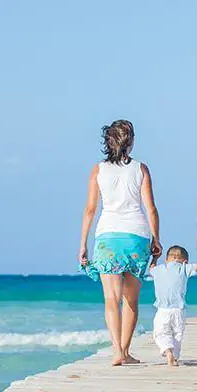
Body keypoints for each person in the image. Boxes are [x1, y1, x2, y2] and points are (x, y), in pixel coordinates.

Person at [79, 120, 162, 366]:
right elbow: (151, 209)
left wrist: (82, 243)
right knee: (131, 300)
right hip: (136, 236)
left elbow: (90, 209)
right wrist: (156, 239)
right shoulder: (141, 169)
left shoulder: (98, 170)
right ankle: (125, 351)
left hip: (107, 238)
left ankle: (117, 350)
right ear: (131, 141)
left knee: (110, 299)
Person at [148, 244, 197, 366]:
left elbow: (151, 268)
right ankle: (174, 356)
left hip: (163, 310)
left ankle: (167, 350)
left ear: (166, 259)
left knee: (161, 333)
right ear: (185, 261)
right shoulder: (184, 268)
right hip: (179, 311)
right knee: (177, 334)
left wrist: (155, 257)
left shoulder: (159, 269)